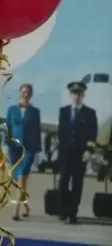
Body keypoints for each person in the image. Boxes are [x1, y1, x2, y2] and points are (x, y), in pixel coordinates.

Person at [57, 81, 98, 224]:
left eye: (79, 94)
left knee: (77, 184)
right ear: (70, 95)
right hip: (66, 154)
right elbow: (61, 133)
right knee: (62, 182)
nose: (77, 96)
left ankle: (72, 214)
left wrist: (89, 151)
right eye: (74, 93)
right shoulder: (63, 111)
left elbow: (93, 136)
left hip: (81, 155)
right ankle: (64, 210)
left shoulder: (90, 113)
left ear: (83, 95)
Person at [6, 83, 41, 220]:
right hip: (14, 148)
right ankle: (25, 205)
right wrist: (6, 146)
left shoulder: (35, 112)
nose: (25, 94)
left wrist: (39, 152)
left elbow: (37, 131)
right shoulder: (11, 110)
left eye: (28, 92)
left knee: (22, 175)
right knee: (18, 179)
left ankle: (16, 210)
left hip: (29, 148)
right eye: (23, 92)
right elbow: (8, 127)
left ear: (31, 95)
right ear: (19, 93)